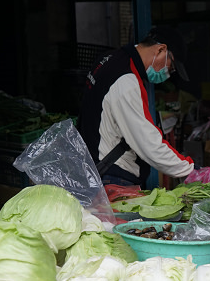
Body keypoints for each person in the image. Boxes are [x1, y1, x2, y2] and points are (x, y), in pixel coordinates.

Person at [78, 26, 195, 187]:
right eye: (171, 66)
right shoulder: (127, 81)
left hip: (93, 167)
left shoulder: (109, 58)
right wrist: (190, 170)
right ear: (161, 49)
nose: (168, 73)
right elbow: (148, 143)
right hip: (112, 175)